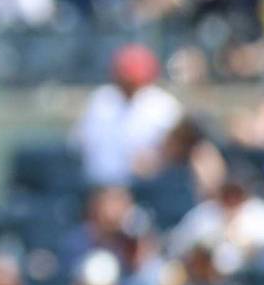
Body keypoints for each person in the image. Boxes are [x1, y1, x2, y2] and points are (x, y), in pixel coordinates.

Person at [71, 43, 183, 187]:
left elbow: (179, 150)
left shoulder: (164, 106)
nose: (128, 84)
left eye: (134, 81)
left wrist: (158, 158)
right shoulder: (100, 100)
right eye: (124, 79)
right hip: (99, 187)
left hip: (146, 188)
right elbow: (78, 143)